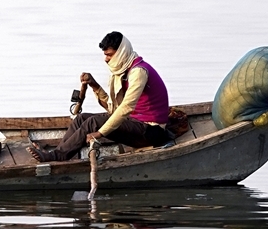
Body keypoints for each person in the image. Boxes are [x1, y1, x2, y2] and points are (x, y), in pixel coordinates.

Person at [28, 31, 172, 162]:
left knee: (93, 122)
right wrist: (94, 85)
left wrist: (99, 133)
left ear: (121, 53)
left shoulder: (138, 72)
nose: (106, 59)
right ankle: (59, 153)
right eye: (105, 54)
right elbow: (113, 108)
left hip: (152, 131)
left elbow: (126, 107)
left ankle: (56, 156)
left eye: (109, 55)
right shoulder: (122, 70)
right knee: (82, 118)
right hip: (134, 122)